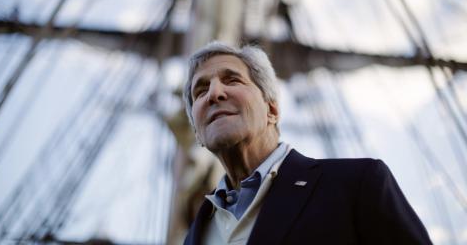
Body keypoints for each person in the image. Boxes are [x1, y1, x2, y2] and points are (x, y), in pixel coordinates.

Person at [182, 41, 432, 245]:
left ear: (272, 109)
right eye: (200, 91)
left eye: (233, 80)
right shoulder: (196, 231)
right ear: (197, 132)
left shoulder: (357, 185)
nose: (214, 93)